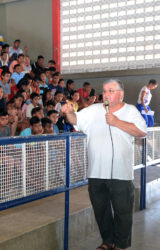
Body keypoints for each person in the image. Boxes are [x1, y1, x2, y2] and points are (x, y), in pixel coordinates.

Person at [61, 79, 147, 250]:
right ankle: (108, 241)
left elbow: (142, 131)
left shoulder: (130, 110)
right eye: (105, 91)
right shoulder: (93, 110)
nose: (106, 94)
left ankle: (121, 244)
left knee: (123, 211)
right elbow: (75, 120)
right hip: (96, 171)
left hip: (121, 172)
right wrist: (69, 112)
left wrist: (117, 122)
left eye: (111, 90)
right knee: (101, 210)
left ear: (121, 94)